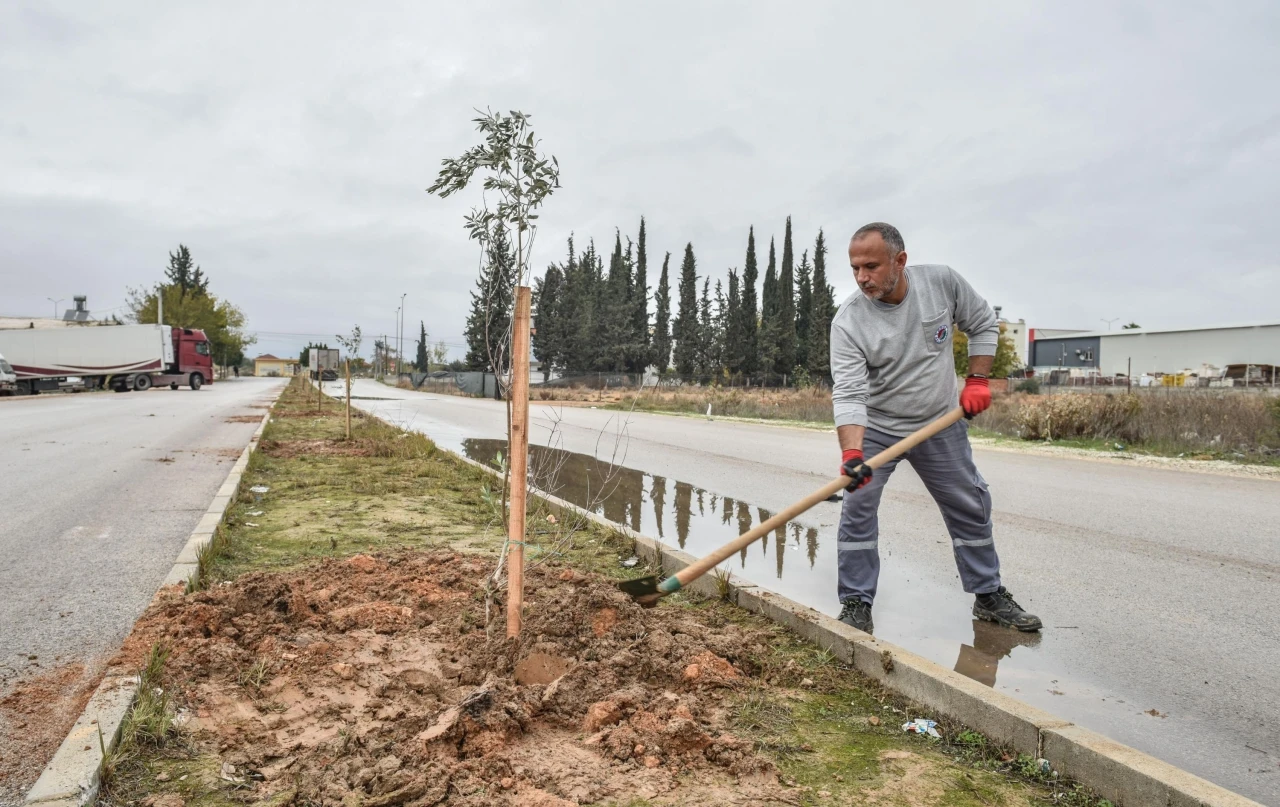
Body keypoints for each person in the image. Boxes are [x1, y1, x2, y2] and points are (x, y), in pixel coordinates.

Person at [830, 222, 1041, 635]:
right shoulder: (849, 322)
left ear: (900, 261)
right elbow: (850, 393)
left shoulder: (941, 283)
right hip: (878, 427)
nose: (861, 277)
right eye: (855, 268)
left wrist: (977, 380)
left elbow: (982, 324)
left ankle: (989, 594)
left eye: (871, 266)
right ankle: (856, 602)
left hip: (939, 423)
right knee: (857, 509)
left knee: (970, 504)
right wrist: (852, 454)